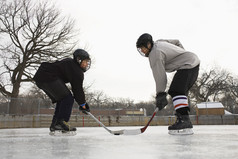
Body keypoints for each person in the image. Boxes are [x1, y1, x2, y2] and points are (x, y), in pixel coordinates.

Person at [136, 33, 200, 134]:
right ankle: (183, 120)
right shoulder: (160, 42)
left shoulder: (154, 54)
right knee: (179, 92)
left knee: (176, 90)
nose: (142, 51)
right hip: (192, 62)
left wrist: (160, 94)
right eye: (140, 49)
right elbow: (177, 42)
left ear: (148, 45)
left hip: (188, 65)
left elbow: (160, 76)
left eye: (143, 48)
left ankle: (184, 121)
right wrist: (182, 55)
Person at [33, 49, 91, 132]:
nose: (86, 64)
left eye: (87, 62)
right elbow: (77, 89)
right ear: (78, 60)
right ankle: (60, 123)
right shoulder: (76, 70)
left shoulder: (70, 63)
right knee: (68, 98)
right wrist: (82, 104)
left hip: (41, 77)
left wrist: (82, 103)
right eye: (85, 61)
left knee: (62, 99)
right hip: (47, 76)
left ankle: (55, 124)